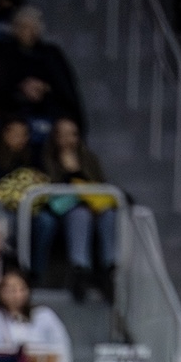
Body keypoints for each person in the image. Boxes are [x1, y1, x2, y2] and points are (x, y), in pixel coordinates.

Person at [34, 118, 117, 301]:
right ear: (55, 137)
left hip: (93, 207)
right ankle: (80, 270)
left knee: (109, 214)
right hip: (62, 210)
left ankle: (109, 269)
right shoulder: (46, 159)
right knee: (80, 214)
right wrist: (71, 173)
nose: (67, 139)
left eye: (72, 134)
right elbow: (49, 189)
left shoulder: (89, 159)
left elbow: (99, 185)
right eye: (62, 134)